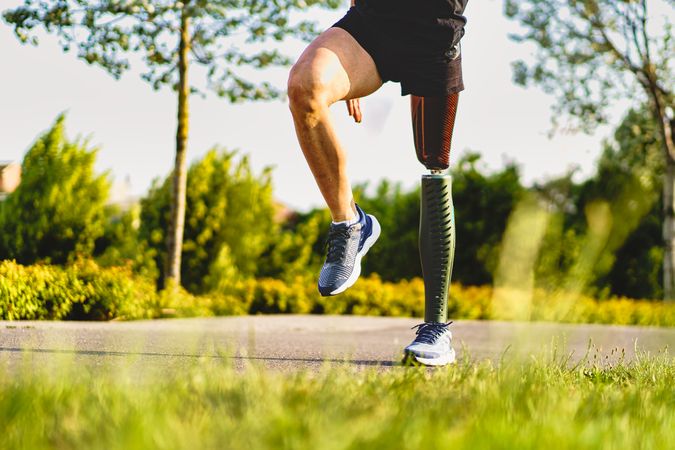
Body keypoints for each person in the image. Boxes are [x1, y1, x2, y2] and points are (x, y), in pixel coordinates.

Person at [288, 0, 468, 366]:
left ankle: (436, 327)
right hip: (373, 24)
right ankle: (349, 222)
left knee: (434, 163)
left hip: (435, 33)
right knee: (305, 87)